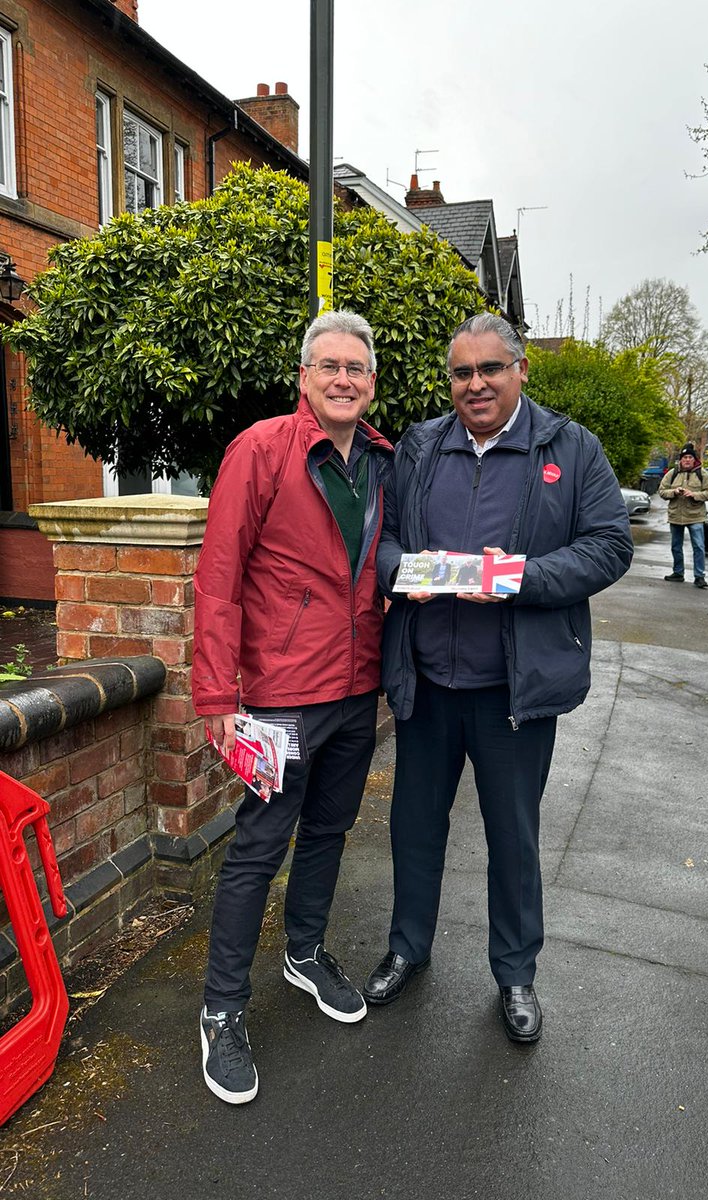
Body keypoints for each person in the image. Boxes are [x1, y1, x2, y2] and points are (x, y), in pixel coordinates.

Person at [363, 313, 633, 1043]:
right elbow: (379, 538)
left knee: (512, 836)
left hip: (514, 690)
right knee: (414, 826)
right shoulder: (420, 446)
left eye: (490, 369)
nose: (475, 384)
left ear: (520, 370)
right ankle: (406, 949)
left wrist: (522, 577)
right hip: (425, 680)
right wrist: (399, 573)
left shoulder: (570, 448)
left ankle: (515, 973)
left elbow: (609, 547)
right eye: (462, 372)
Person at [191, 310, 392, 1104]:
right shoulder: (262, 449)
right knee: (257, 846)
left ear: (371, 383)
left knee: (331, 831)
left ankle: (303, 953)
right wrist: (215, 693)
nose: (344, 378)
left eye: (357, 368)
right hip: (281, 696)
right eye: (329, 366)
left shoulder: (381, 459)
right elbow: (218, 576)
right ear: (304, 378)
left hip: (355, 688)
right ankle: (221, 1009)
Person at [658, 444, 708, 588]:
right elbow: (662, 491)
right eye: (685, 458)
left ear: (694, 459)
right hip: (676, 515)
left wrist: (694, 495)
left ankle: (699, 576)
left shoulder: (702, 474)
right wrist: (674, 492)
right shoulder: (672, 473)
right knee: (676, 546)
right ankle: (678, 573)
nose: (687, 460)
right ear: (680, 460)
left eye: (690, 457)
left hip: (695, 516)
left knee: (699, 546)